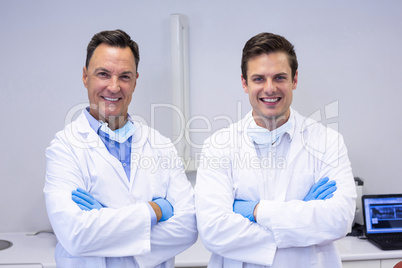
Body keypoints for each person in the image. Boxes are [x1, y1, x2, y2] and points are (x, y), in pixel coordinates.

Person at [195, 32, 356, 267]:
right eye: (259, 79)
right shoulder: (218, 146)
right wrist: (302, 215)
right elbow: (214, 231)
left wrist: (255, 211)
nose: (270, 89)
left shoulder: (328, 142)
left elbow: (338, 220)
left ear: (294, 80)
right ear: (244, 82)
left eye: (279, 77)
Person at [44, 29, 197, 267]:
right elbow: (76, 236)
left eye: (125, 76)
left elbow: (188, 227)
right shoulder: (64, 148)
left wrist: (105, 222)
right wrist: (155, 210)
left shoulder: (160, 146)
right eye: (103, 74)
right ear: (85, 77)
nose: (114, 87)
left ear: (136, 80)